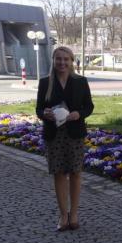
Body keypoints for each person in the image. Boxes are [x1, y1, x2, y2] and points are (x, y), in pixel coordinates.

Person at [36, 46, 94, 232]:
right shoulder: (45, 82)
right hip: (54, 134)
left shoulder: (80, 81)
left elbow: (89, 106)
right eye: (58, 59)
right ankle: (63, 215)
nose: (62, 62)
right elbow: (38, 109)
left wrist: (79, 113)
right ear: (53, 61)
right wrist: (45, 114)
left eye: (66, 59)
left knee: (76, 173)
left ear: (72, 62)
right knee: (59, 173)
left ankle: (74, 214)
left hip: (74, 133)